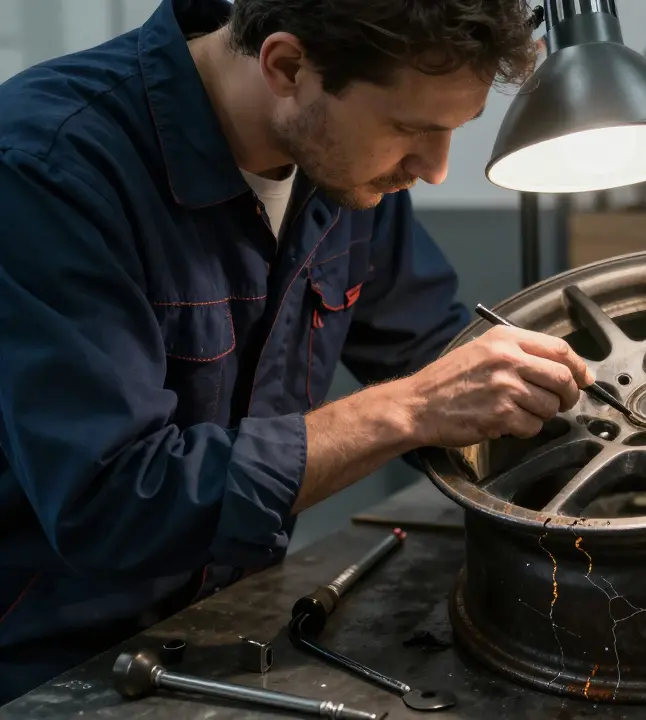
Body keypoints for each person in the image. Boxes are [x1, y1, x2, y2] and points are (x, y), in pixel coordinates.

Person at [0, 0, 593, 703]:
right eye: (409, 128)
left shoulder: (341, 164)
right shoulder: (49, 165)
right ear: (286, 66)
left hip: (222, 632)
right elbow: (116, 502)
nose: (434, 171)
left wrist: (592, 441)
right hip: (43, 666)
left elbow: (431, 347)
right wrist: (409, 410)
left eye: (453, 133)